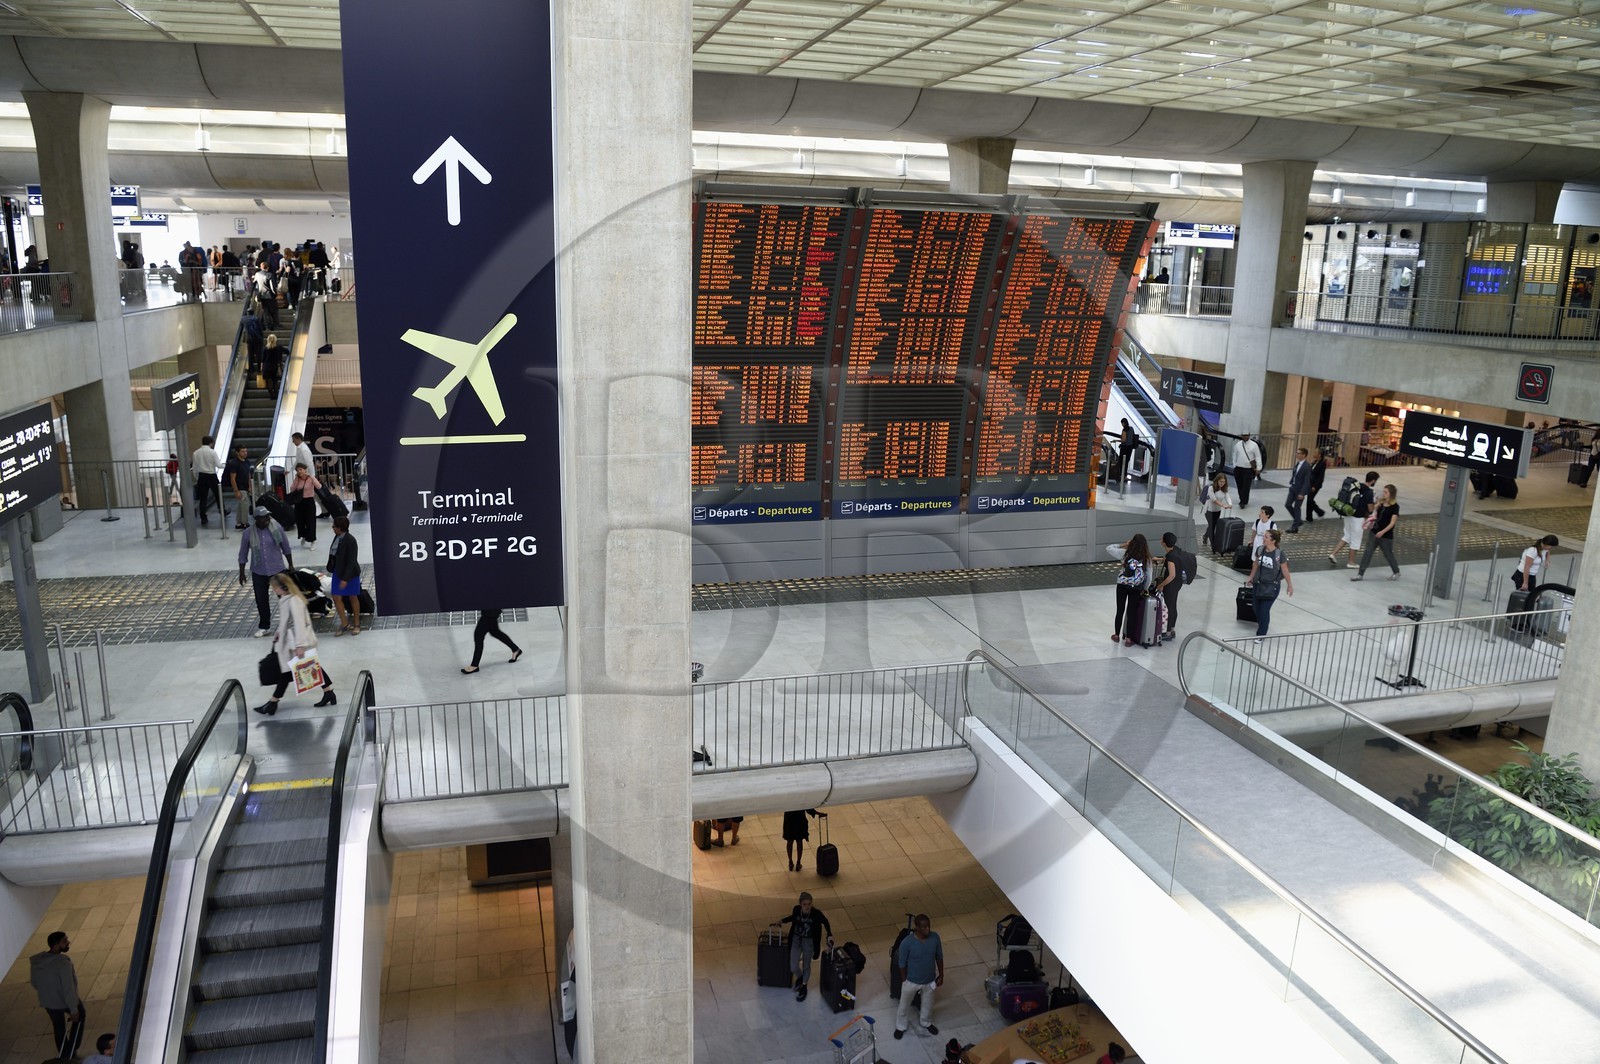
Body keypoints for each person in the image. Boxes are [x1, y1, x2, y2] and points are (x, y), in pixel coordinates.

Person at [255, 571, 336, 715]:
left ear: (284, 587)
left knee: (287, 672)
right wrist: (279, 633)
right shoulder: (288, 599)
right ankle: (328, 692)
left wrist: (300, 645)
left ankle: (273, 702)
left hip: (295, 642)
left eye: (275, 587)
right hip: (290, 641)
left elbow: (299, 623)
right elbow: (287, 621)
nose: (274, 590)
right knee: (306, 667)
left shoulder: (293, 600)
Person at [30, 931, 85, 1061]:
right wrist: (73, 1009)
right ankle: (71, 1050)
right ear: (56, 945)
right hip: (64, 1001)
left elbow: (34, 982)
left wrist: (49, 991)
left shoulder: (37, 961)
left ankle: (64, 1054)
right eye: (64, 941)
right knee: (80, 1016)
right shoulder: (62, 962)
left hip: (48, 1002)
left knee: (59, 1028)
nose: (68, 942)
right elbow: (68, 988)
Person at [239, 505, 293, 636]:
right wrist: (241, 573)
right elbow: (243, 554)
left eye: (268, 517)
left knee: (284, 598)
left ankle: (286, 624)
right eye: (263, 518)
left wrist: (291, 565)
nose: (267, 520)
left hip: (277, 569)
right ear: (257, 519)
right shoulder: (248, 533)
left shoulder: (277, 528)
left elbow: (285, 547)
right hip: (259, 571)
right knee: (261, 600)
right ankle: (265, 626)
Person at [893, 914, 943, 1040]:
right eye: (924, 927)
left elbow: (939, 957)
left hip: (929, 980)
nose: (927, 929)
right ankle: (900, 1026)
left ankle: (926, 1022)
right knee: (904, 1005)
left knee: (928, 1004)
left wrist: (941, 975)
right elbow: (901, 963)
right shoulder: (907, 942)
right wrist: (904, 979)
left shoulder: (935, 938)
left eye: (928, 926)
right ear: (916, 927)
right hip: (911, 981)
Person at [778, 891, 834, 1002]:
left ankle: (804, 985)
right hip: (796, 939)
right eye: (804, 904)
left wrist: (829, 934)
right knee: (793, 965)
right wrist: (782, 921)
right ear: (800, 904)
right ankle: (800, 977)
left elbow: (825, 922)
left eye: (809, 904)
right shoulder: (796, 910)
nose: (807, 906)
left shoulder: (816, 913)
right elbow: (793, 917)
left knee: (806, 965)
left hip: (809, 941)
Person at [1245, 527, 1293, 643]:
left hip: (1272, 586)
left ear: (1273, 541)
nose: (1263, 538)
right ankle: (1263, 623)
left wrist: (1289, 585)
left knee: (1264, 610)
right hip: (1258, 584)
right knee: (1256, 608)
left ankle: (1261, 634)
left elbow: (1285, 570)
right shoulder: (1260, 550)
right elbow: (1255, 565)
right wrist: (1251, 577)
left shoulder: (1279, 554)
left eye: (1266, 537)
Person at [1328, 471, 1380, 569]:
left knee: (1347, 536)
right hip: (1358, 518)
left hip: (1348, 513)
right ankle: (1351, 562)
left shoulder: (1357, 486)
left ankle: (1333, 554)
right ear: (1373, 480)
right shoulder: (1369, 492)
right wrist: (1377, 503)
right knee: (1355, 540)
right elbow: (1370, 509)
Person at [1352, 483, 1402, 581]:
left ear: (1391, 494)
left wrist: (1383, 532)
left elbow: (1392, 523)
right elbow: (1373, 512)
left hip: (1386, 536)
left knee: (1388, 554)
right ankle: (1360, 574)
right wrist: (1377, 505)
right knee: (1367, 552)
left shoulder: (1395, 507)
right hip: (1374, 532)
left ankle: (1396, 571)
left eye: (1385, 492)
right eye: (1383, 491)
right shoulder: (1381, 504)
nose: (1383, 494)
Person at [1112, 534, 1151, 647]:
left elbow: (1109, 548)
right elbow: (1148, 576)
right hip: (1136, 587)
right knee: (1131, 612)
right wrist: (1145, 589)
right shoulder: (1146, 558)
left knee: (1120, 610)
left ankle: (1116, 635)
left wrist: (1124, 544)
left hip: (1122, 585)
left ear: (1132, 543)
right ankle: (1129, 640)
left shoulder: (1125, 554)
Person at [326, 514, 362, 635]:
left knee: (353, 597)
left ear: (340, 528)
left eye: (334, 526)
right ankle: (344, 623)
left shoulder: (350, 540)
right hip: (338, 571)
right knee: (336, 597)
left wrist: (345, 578)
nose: (333, 528)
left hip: (350, 574)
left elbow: (352, 561)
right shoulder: (337, 537)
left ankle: (357, 624)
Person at [1157, 532, 1194, 643]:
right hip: (1178, 583)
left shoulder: (1171, 556)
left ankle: (1167, 632)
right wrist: (1160, 560)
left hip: (1171, 584)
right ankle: (1172, 630)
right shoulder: (1175, 550)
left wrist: (1161, 585)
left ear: (1164, 542)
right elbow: (1171, 562)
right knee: (1173, 605)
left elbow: (1171, 575)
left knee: (1169, 607)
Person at [461, 609, 523, 674]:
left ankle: (474, 665)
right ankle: (516, 649)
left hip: (490, 611)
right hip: (491, 609)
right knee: (495, 632)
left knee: (478, 635)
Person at [192, 434, 223, 526]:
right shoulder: (212, 452)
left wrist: (197, 478)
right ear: (211, 443)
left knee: (203, 498)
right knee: (218, 495)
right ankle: (222, 510)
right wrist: (224, 465)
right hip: (211, 475)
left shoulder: (196, 453)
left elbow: (194, 467)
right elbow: (218, 465)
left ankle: (203, 517)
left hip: (202, 476)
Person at [290, 460, 321, 545]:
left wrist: (312, 477)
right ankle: (303, 536)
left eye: (301, 469)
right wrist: (296, 480)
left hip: (309, 501)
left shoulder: (310, 478)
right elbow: (292, 489)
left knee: (310, 521)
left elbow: (319, 486)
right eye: (298, 470)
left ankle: (312, 541)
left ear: (305, 469)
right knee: (300, 521)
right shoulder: (297, 479)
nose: (299, 471)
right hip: (299, 502)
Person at [224, 444, 253, 528]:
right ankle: (244, 522)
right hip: (240, 487)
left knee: (241, 505)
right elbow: (232, 478)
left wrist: (249, 486)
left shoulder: (247, 461)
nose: (245, 453)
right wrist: (236, 491)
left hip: (246, 486)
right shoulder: (234, 463)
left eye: (246, 451)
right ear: (237, 453)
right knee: (245, 505)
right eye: (242, 451)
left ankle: (239, 522)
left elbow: (248, 474)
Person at [1231, 431, 1263, 505]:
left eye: (1246, 435)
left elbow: (1258, 456)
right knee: (1239, 484)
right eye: (1243, 435)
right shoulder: (1238, 444)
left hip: (1248, 469)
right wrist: (1234, 465)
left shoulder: (1254, 445)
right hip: (1238, 468)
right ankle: (1242, 498)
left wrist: (1258, 468)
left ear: (1249, 435)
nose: (1245, 437)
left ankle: (1244, 501)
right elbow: (1234, 455)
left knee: (1246, 485)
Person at [1201, 472, 1232, 549]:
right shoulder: (1211, 488)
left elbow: (1227, 497)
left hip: (1217, 511)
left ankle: (1205, 536)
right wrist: (1223, 505)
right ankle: (1213, 544)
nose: (1222, 483)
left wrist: (1230, 504)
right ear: (1217, 481)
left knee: (1212, 525)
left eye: (1224, 482)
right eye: (1220, 481)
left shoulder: (1224, 489)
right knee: (1212, 526)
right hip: (1209, 510)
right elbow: (1213, 499)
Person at [1285, 447, 1311, 532]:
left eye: (1298, 453)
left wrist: (1302, 493)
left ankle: (1295, 527)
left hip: (1300, 490)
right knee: (1288, 504)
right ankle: (1298, 520)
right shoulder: (1297, 464)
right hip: (1293, 487)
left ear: (1304, 455)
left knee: (1297, 507)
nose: (1296, 454)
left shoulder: (1306, 466)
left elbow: (1306, 481)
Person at [1306, 447, 1328, 522]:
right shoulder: (1315, 462)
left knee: (1310, 500)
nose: (1314, 454)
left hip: (1315, 485)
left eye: (1316, 452)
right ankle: (1309, 517)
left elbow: (1320, 477)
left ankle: (1320, 512)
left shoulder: (1322, 463)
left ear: (1319, 454)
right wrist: (1311, 463)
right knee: (1309, 500)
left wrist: (1315, 486)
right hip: (1310, 483)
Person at [1117, 418, 1137, 483]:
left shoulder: (1124, 430)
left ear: (1124, 423)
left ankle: (1121, 475)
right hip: (1130, 448)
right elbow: (1133, 437)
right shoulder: (1131, 429)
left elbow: (1124, 440)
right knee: (1126, 462)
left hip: (1124, 448)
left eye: (1122, 423)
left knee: (1121, 462)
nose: (1122, 425)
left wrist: (1117, 440)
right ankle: (1125, 476)